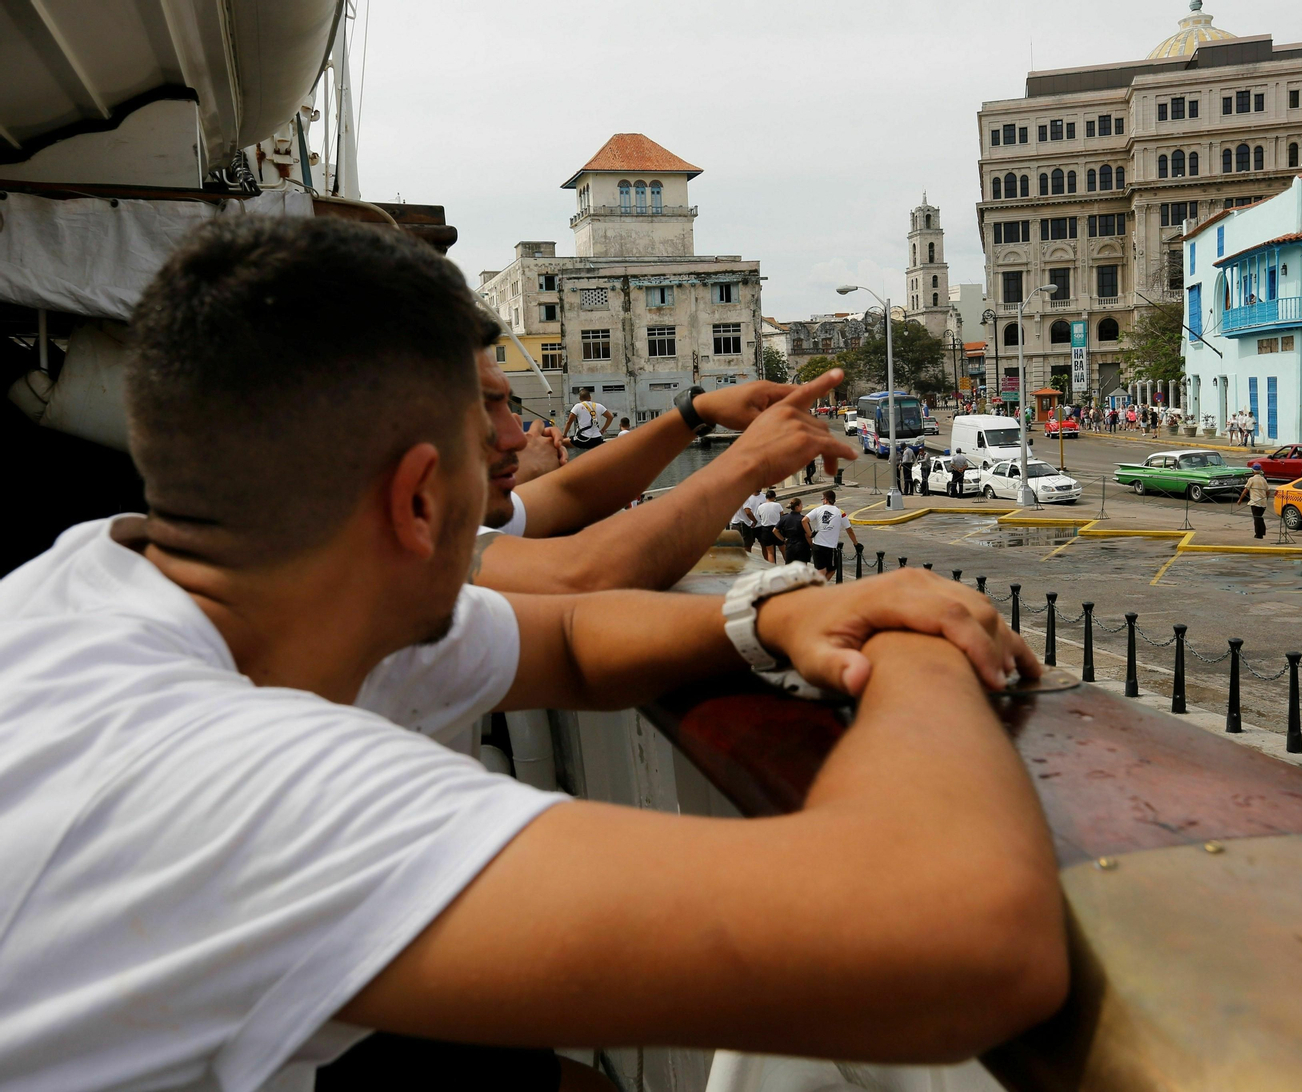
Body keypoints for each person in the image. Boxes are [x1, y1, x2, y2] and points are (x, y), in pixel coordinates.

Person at [0, 216, 1063, 1090]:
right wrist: (918, 641)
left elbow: (571, 636)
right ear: (420, 499)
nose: (506, 463)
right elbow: (956, 941)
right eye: (483, 437)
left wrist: (777, 611)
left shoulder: (105, 586)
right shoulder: (232, 787)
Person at [472, 354, 854, 592]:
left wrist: (699, 412)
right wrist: (750, 460)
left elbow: (574, 495)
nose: (515, 434)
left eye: (509, 406)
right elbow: (589, 572)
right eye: (486, 408)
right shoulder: (438, 563)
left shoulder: (462, 523)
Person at [808, 490, 860, 580]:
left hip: (817, 544)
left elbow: (804, 520)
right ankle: (817, 590)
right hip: (829, 546)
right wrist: (856, 543)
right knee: (831, 570)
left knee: (820, 570)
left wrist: (810, 533)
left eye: (822, 499)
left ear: (826, 500)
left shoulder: (818, 509)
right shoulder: (840, 512)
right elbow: (849, 529)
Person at [562, 388, 612, 453]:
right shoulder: (599, 406)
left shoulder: (577, 406)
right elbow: (610, 417)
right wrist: (603, 429)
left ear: (580, 398)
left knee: (562, 443)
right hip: (597, 439)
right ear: (590, 397)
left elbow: (569, 422)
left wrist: (564, 435)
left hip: (583, 439)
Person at [774, 496, 812, 565]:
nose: (802, 506)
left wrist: (783, 539)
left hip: (790, 545)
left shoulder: (784, 518)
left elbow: (775, 530)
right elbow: (807, 535)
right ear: (797, 506)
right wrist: (811, 545)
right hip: (802, 546)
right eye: (801, 505)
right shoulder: (803, 519)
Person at [1236, 465, 1270, 539]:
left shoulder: (1251, 479)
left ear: (1253, 471)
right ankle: (1262, 531)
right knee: (1259, 517)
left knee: (1257, 518)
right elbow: (1268, 491)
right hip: (1263, 502)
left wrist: (1240, 499)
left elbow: (1246, 490)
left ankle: (1259, 534)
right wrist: (1265, 499)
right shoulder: (1263, 479)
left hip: (1255, 502)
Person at [756, 488, 784, 564]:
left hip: (766, 530)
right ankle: (788, 566)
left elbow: (760, 516)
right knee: (783, 550)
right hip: (776, 528)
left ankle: (773, 569)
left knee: (770, 552)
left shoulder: (760, 507)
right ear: (774, 497)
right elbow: (782, 515)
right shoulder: (777, 505)